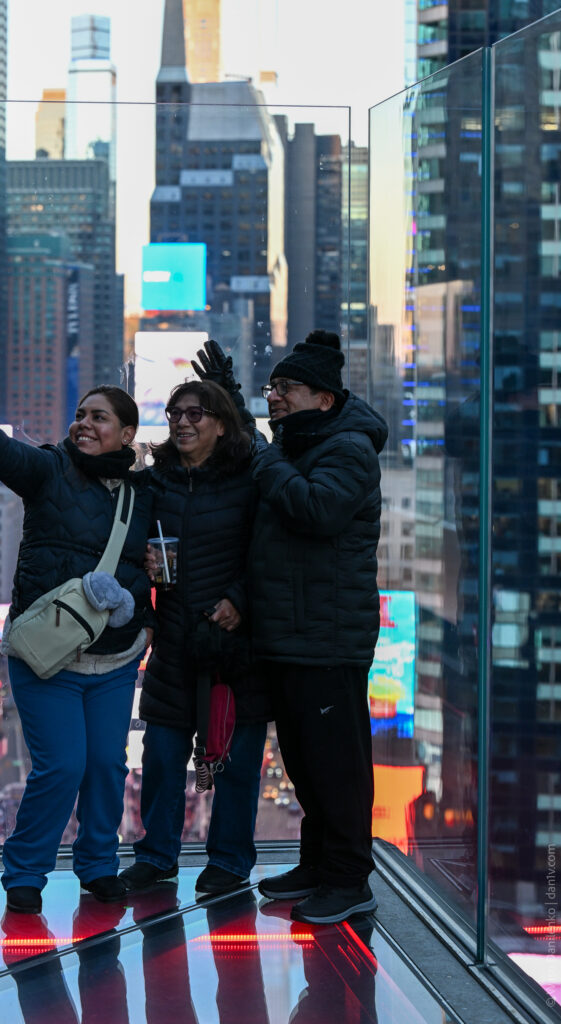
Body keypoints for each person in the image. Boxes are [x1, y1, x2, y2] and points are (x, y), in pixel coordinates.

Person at [196, 331, 388, 924]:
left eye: (286, 389)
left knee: (337, 766)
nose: (274, 398)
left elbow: (315, 508)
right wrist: (231, 395)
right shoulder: (298, 444)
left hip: (327, 639)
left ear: (324, 398)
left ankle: (350, 879)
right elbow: (269, 462)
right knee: (305, 764)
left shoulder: (348, 449)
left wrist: (268, 455)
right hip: (291, 634)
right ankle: (317, 865)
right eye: (271, 388)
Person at [0, 370, 154, 915]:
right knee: (62, 766)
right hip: (45, 657)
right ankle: (26, 871)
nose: (83, 424)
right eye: (81, 414)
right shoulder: (50, 470)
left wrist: (147, 620)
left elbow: (153, 562)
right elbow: (4, 453)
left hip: (115, 659)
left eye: (98, 417)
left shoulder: (146, 493)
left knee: (107, 765)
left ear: (127, 434)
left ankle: (98, 866)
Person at [119, 379, 271, 896]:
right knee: (161, 755)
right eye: (175, 412)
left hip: (233, 644)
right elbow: (125, 551)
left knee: (231, 758)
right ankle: (157, 855)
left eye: (196, 413)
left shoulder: (248, 479)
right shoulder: (153, 482)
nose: (183, 421)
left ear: (221, 423)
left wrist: (239, 601)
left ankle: (229, 860)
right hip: (174, 639)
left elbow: (270, 553)